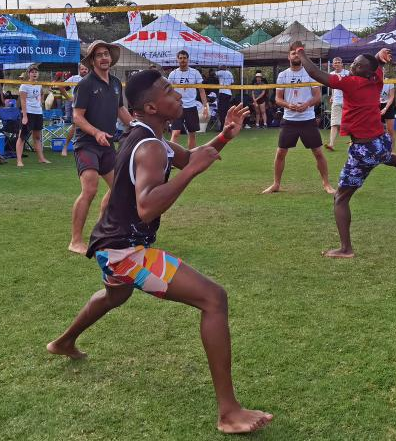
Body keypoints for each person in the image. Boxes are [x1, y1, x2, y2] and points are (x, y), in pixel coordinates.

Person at [45, 70, 273, 435]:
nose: (177, 93)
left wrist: (224, 137)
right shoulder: (149, 146)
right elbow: (148, 206)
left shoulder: (151, 139)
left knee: (113, 296)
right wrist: (192, 174)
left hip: (109, 245)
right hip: (125, 251)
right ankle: (229, 412)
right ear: (151, 106)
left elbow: (188, 157)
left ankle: (63, 341)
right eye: (169, 90)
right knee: (214, 299)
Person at [294, 47, 396, 258]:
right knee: (390, 158)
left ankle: (345, 249)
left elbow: (316, 74)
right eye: (354, 63)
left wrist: (302, 55)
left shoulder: (352, 83)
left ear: (366, 72)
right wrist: (378, 57)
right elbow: (377, 67)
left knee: (340, 199)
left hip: (363, 149)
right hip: (379, 141)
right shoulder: (376, 79)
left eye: (358, 65)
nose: (353, 66)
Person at [68, 42, 134, 256]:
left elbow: (120, 110)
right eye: (99, 56)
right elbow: (77, 116)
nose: (104, 58)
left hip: (107, 144)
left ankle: (100, 232)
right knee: (90, 189)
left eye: (106, 54)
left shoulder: (115, 83)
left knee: (119, 189)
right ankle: (75, 241)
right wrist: (95, 132)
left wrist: (137, 127)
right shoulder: (86, 84)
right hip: (87, 144)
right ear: (93, 61)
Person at [262, 41, 335, 195]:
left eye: (298, 53)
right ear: (289, 56)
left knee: (318, 153)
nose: (296, 55)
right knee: (280, 153)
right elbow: (277, 99)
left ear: (302, 55)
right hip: (289, 120)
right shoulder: (283, 75)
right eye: (293, 53)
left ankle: (327, 184)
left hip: (308, 120)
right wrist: (288, 105)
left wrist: (306, 104)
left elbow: (317, 97)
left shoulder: (311, 73)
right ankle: (276, 184)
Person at [167, 50, 207, 149]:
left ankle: (191, 156)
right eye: (180, 58)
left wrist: (206, 107)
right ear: (177, 59)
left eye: (184, 58)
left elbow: (201, 91)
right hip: (178, 107)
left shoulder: (195, 73)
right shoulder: (173, 74)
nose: (182, 60)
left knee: (192, 134)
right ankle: (172, 157)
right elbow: (168, 92)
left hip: (191, 107)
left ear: (188, 59)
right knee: (175, 133)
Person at [16, 64, 50, 167]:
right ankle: (19, 160)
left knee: (37, 136)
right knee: (22, 137)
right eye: (32, 72)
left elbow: (41, 93)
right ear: (28, 73)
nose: (34, 73)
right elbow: (22, 101)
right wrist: (25, 116)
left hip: (38, 112)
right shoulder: (24, 85)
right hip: (28, 112)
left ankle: (41, 158)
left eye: (36, 72)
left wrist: (41, 102)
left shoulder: (39, 84)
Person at [61, 60, 90, 157]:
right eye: (82, 69)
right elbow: (61, 86)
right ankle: (65, 147)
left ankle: (87, 148)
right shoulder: (74, 78)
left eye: (86, 69)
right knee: (75, 127)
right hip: (77, 107)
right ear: (79, 70)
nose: (84, 70)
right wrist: (68, 98)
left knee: (91, 127)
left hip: (90, 107)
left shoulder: (92, 79)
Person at [326, 57, 348, 150]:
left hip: (348, 101)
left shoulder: (347, 73)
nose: (337, 64)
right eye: (335, 63)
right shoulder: (331, 74)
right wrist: (332, 95)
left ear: (342, 64)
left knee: (351, 123)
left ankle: (353, 142)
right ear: (333, 65)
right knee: (334, 123)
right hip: (336, 101)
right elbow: (333, 87)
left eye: (339, 62)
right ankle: (331, 144)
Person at [215, 65, 234, 132]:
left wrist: (217, 69)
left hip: (223, 93)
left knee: (221, 111)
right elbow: (232, 82)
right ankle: (226, 126)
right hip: (228, 93)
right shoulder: (230, 73)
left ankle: (223, 127)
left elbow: (214, 74)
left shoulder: (221, 72)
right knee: (226, 111)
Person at [380, 80, 396, 148]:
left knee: (390, 130)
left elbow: (391, 96)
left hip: (388, 105)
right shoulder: (372, 79)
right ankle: (380, 150)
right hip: (375, 105)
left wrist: (385, 108)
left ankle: (392, 152)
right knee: (377, 130)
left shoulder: (389, 81)